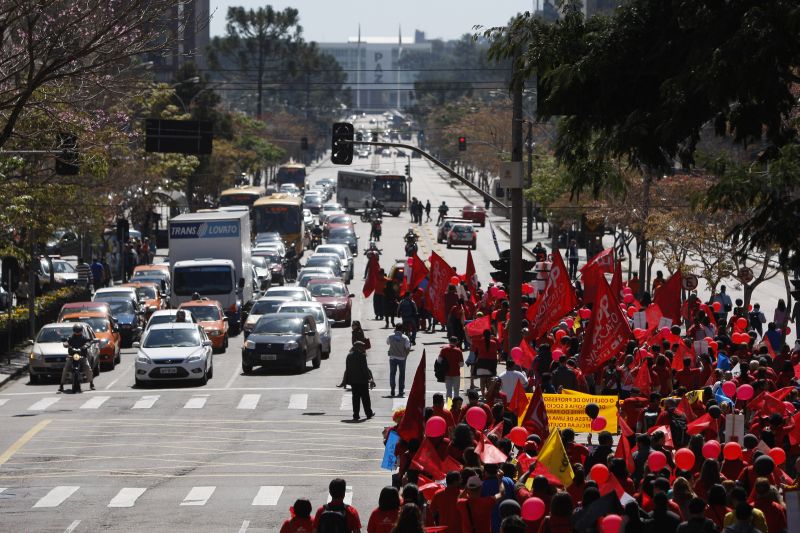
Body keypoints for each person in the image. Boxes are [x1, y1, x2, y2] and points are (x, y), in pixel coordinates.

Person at [58, 323, 95, 392]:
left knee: (88, 368)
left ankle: (91, 383)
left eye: (79, 330)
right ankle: (61, 385)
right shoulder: (71, 338)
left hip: (82, 357)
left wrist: (87, 345)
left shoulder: (84, 338)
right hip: (72, 357)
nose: (77, 332)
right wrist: (66, 344)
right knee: (65, 369)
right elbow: (66, 342)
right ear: (73, 331)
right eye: (76, 330)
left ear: (81, 331)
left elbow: (89, 341)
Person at [344, 341, 375, 421]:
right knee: (365, 398)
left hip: (353, 381)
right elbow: (365, 369)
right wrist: (370, 379)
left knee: (355, 399)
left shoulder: (349, 356)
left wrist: (346, 380)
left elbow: (347, 369)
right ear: (359, 347)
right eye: (362, 347)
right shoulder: (362, 356)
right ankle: (368, 413)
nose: (364, 348)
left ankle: (356, 415)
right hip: (362, 381)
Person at [386, 325, 411, 398]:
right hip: (402, 358)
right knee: (402, 374)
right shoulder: (405, 337)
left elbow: (387, 343)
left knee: (392, 373)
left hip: (392, 357)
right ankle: (400, 390)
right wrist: (406, 355)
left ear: (395, 328)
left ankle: (392, 387)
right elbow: (408, 348)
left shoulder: (390, 336)